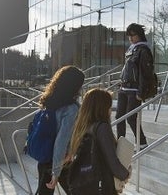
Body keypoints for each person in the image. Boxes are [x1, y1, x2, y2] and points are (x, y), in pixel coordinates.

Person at [69, 88, 130, 194]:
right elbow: (112, 160)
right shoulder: (102, 127)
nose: (110, 110)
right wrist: (125, 175)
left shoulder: (82, 127)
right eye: (109, 106)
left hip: (85, 183)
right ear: (102, 107)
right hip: (102, 186)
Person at [36, 65, 85, 194]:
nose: (81, 88)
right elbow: (61, 141)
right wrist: (56, 172)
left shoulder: (50, 102)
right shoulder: (71, 109)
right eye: (80, 84)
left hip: (45, 158)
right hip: (60, 161)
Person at [117, 23, 154, 149]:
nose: (131, 38)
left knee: (131, 118)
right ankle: (120, 143)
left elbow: (146, 73)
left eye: (133, 35)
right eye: (129, 35)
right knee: (119, 117)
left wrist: (141, 92)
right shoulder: (131, 49)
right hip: (123, 88)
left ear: (139, 35)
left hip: (134, 90)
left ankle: (142, 142)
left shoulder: (144, 50)